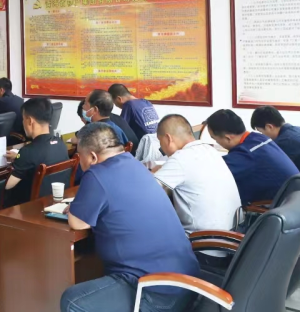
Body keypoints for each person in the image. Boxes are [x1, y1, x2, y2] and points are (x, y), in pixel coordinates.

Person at [61, 123, 199, 312]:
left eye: (80, 156)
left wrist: (79, 207)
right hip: (186, 283)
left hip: (155, 292)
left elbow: (77, 222)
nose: (80, 162)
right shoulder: (135, 164)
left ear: (92, 157)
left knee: (72, 301)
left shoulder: (97, 173)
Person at [153, 114, 242, 233]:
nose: (162, 149)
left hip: (204, 239)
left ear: (168, 138)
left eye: (160, 142)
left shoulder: (180, 158)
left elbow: (147, 191)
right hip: (234, 233)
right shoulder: (210, 150)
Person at [206, 109, 298, 205]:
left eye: (215, 139)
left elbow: (210, 173)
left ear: (228, 138)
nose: (217, 143)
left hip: (275, 206)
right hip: (294, 199)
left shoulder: (245, 154)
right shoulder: (259, 138)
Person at [5, 98, 69, 206]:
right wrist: (19, 156)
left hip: (31, 208)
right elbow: (40, 156)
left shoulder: (28, 152)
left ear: (30, 121)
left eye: (23, 119)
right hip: (56, 203)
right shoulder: (61, 144)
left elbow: (6, 185)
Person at [251, 106, 300, 171]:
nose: (262, 136)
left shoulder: (283, 142)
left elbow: (268, 166)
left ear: (269, 127)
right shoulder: (299, 130)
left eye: (261, 132)